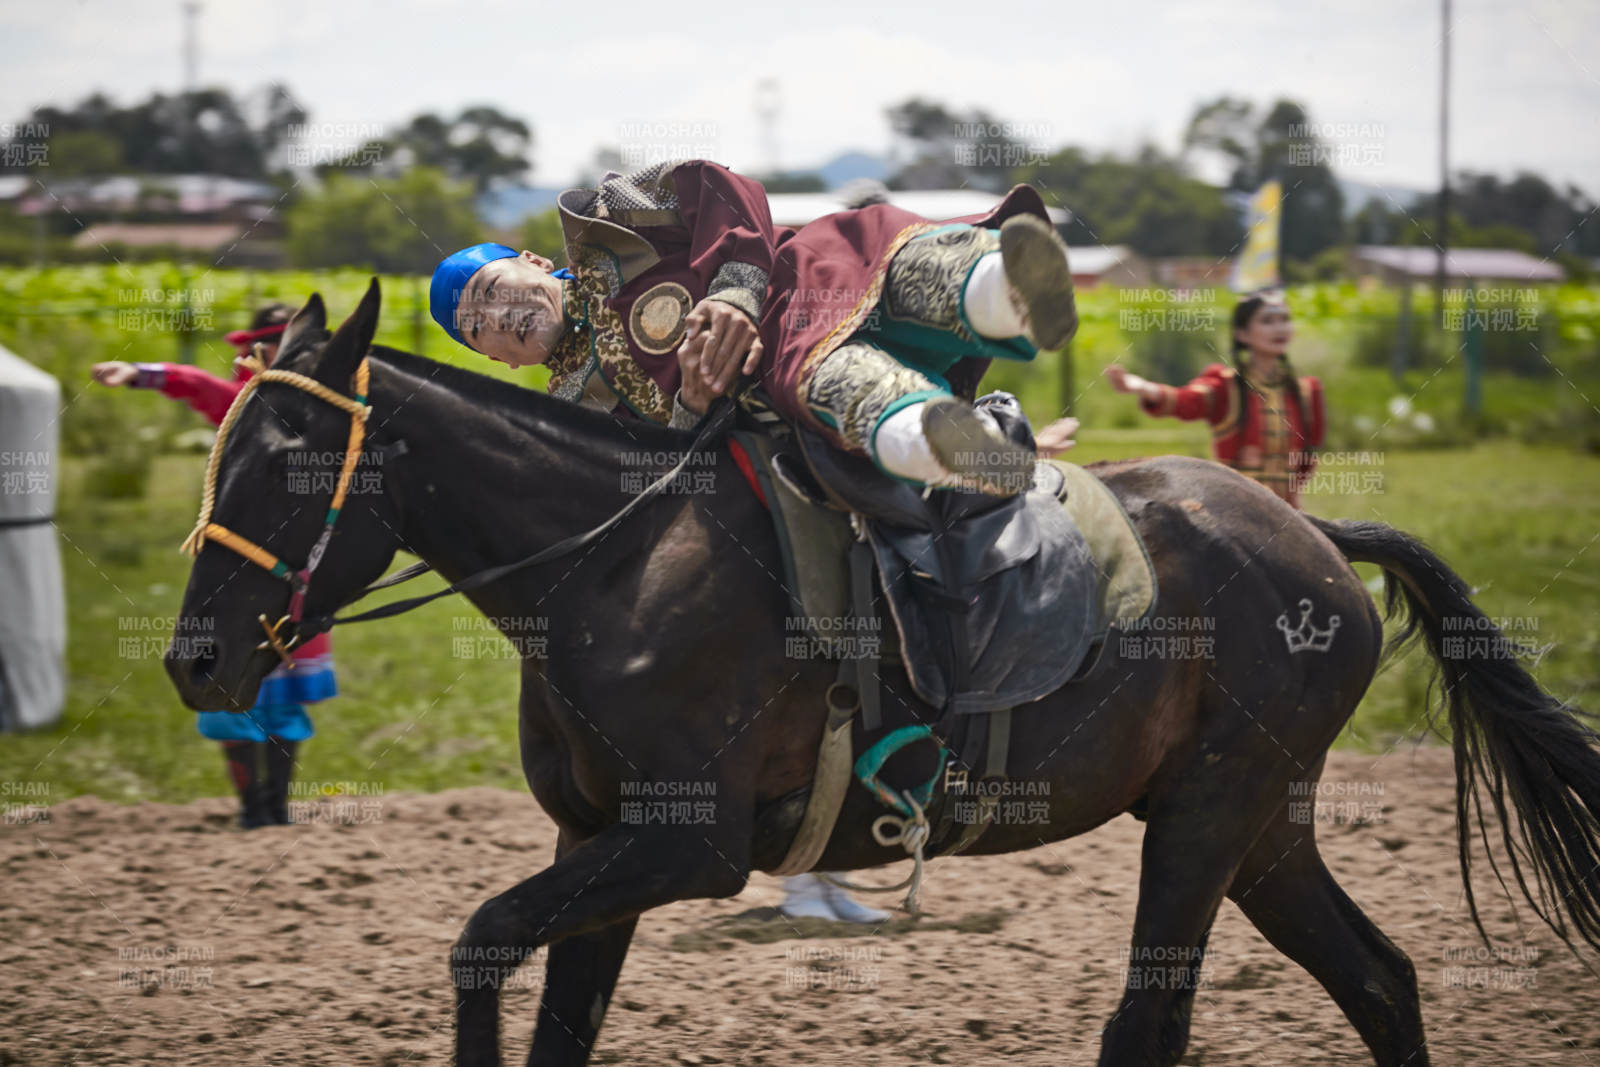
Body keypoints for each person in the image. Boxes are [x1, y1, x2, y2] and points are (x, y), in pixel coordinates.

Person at [428, 158, 1080, 497]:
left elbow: (719, 185)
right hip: (780, 394)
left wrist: (736, 297)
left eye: (490, 289)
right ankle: (952, 447)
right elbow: (653, 489)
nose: (497, 317)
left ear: (532, 260)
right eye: (477, 328)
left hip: (797, 283)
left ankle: (1006, 288)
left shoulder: (609, 219)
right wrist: (692, 404)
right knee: (821, 380)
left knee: (866, 252)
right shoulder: (569, 416)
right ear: (500, 362)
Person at [90, 303, 338, 828]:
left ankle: (276, 809)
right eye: (271, 343)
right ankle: (253, 810)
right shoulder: (250, 406)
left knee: (285, 704)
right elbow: (199, 385)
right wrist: (142, 375)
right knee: (234, 697)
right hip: (239, 577)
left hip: (298, 579)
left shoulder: (327, 414)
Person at [1103, 290, 1325, 509]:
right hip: (1234, 511)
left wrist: (1296, 506)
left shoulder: (1306, 392)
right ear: (1242, 334)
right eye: (1267, 321)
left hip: (1288, 514)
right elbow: (1185, 401)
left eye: (1284, 320)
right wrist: (1142, 387)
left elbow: (1307, 460)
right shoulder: (1226, 387)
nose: (1279, 328)